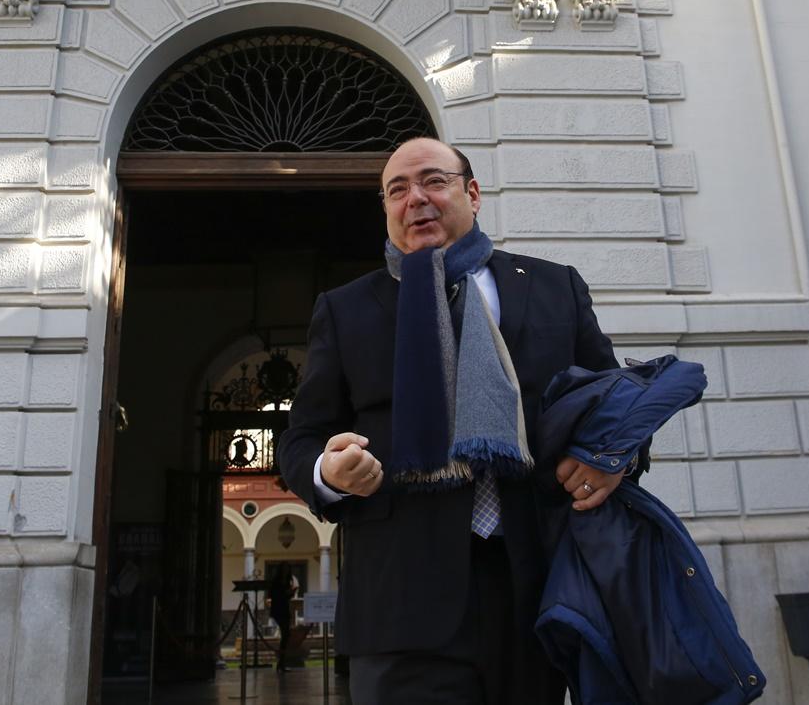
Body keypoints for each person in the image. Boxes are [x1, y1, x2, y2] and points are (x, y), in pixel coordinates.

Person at [277, 138, 641, 705]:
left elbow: (614, 406)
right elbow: (299, 441)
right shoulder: (346, 309)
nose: (414, 198)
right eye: (397, 190)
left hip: (536, 591)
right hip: (400, 603)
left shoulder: (554, 288)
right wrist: (329, 470)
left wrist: (612, 463)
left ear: (472, 193)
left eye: (432, 181)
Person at [268, 562, 297, 673]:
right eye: (284, 569)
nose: (286, 571)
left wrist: (291, 592)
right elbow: (273, 595)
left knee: (286, 635)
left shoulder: (288, 582)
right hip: (278, 609)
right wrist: (286, 593)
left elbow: (287, 597)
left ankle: (281, 663)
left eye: (287, 569)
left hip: (285, 609)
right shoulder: (276, 582)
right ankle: (281, 663)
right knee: (285, 634)